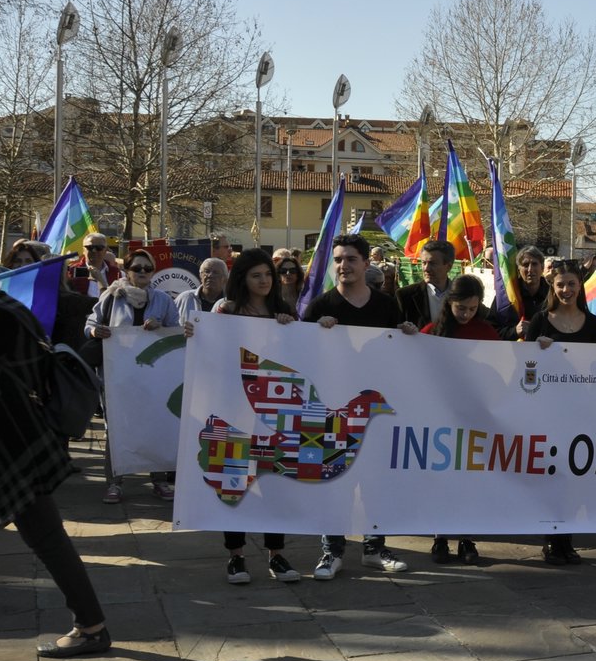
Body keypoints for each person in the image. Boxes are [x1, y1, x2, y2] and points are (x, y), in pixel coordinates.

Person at [0, 289, 112, 657]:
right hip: (23, 440)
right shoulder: (9, 306)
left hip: (9, 444)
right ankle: (92, 626)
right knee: (49, 538)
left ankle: (92, 627)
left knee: (48, 538)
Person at [301, 234, 419, 578]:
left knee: (375, 481)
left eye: (351, 259)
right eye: (338, 259)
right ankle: (331, 551)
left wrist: (408, 336)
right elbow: (300, 352)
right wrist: (315, 334)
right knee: (335, 479)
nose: (343, 265)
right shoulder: (321, 306)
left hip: (374, 412)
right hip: (333, 411)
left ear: (366, 263)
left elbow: (399, 354)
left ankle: (373, 547)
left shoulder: (386, 305)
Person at [206, 248, 301, 584]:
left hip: (275, 411)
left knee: (274, 481)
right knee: (234, 479)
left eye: (268, 275)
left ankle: (277, 555)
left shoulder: (284, 311)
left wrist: (293, 329)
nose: (264, 280)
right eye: (256, 275)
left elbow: (301, 355)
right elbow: (210, 350)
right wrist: (195, 333)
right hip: (234, 406)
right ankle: (236, 557)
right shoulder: (225, 310)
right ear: (242, 279)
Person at [525, 259, 596, 564]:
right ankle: (550, 538)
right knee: (551, 474)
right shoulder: (541, 321)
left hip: (580, 409)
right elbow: (526, 367)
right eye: (560, 285)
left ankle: (566, 539)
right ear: (552, 287)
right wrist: (537, 352)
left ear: (580, 285)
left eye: (571, 284)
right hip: (548, 410)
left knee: (573, 476)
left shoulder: (593, 322)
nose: (566, 290)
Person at [86, 247, 178, 504]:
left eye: (147, 268)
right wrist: (97, 333)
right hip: (118, 376)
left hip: (154, 376)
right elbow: (90, 324)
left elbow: (177, 331)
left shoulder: (163, 300)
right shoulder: (112, 296)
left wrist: (162, 327)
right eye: (137, 268)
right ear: (127, 270)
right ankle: (115, 482)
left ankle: (158, 480)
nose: (143, 272)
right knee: (116, 427)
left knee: (155, 424)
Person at [420, 273, 496, 565]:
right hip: (439, 419)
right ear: (449, 303)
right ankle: (440, 537)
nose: (466, 314)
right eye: (461, 308)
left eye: (472, 309)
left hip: (473, 417)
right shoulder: (432, 332)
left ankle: (466, 537)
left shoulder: (486, 333)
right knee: (441, 480)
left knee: (470, 480)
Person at [496, 246, 551, 339]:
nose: (530, 269)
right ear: (518, 269)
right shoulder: (507, 294)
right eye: (525, 265)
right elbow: (491, 330)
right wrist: (514, 331)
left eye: (534, 264)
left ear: (542, 267)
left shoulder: (553, 294)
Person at [398, 239, 453, 329]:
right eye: (424, 263)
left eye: (432, 263)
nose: (426, 269)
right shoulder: (405, 296)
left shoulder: (463, 294)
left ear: (448, 266)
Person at [174, 257, 228, 327]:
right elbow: (171, 324)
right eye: (207, 271)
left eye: (216, 272)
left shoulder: (231, 302)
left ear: (225, 278)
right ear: (200, 275)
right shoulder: (185, 298)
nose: (210, 275)